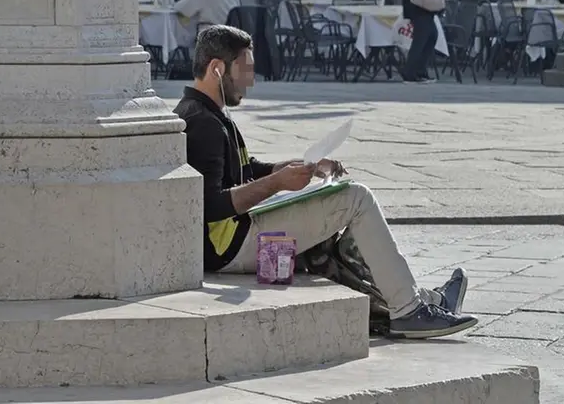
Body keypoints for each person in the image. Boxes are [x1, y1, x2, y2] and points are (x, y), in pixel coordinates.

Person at [174, 25, 479, 339]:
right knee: (356, 198)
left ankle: (429, 301)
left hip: (236, 242)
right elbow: (209, 205)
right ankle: (409, 311)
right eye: (245, 69)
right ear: (217, 69)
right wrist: (278, 183)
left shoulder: (209, 114)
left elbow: (244, 169)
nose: (250, 80)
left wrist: (298, 167)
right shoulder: (203, 124)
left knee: (334, 224)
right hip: (232, 251)